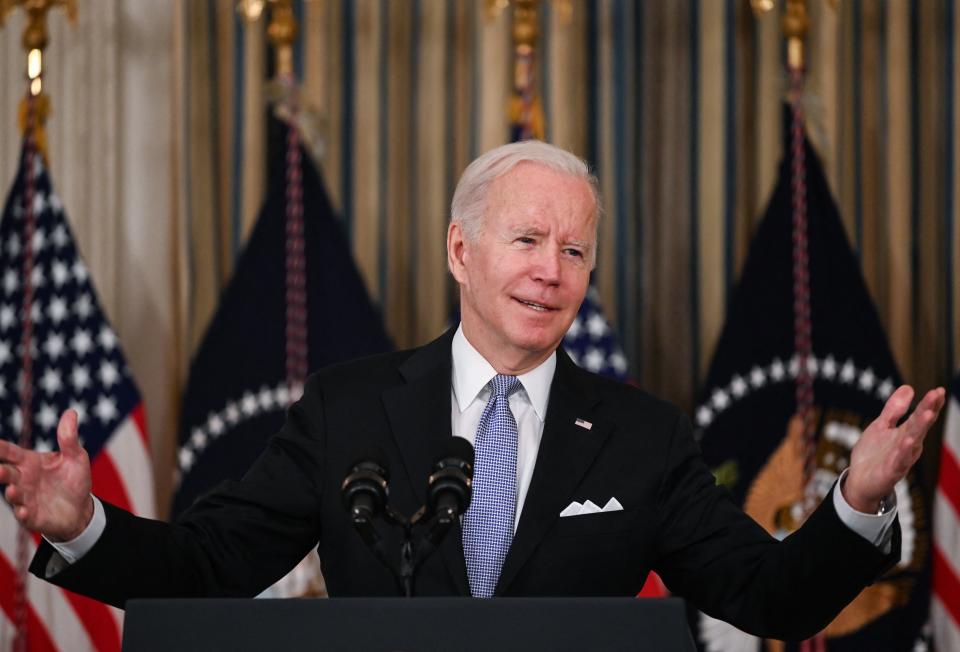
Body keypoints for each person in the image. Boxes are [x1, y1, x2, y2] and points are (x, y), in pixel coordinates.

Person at [0, 141, 946, 640]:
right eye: (527, 241)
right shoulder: (349, 409)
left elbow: (772, 596)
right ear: (462, 249)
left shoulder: (641, 437)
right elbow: (210, 566)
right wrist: (85, 524)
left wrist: (856, 500)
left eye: (575, 250)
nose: (551, 271)